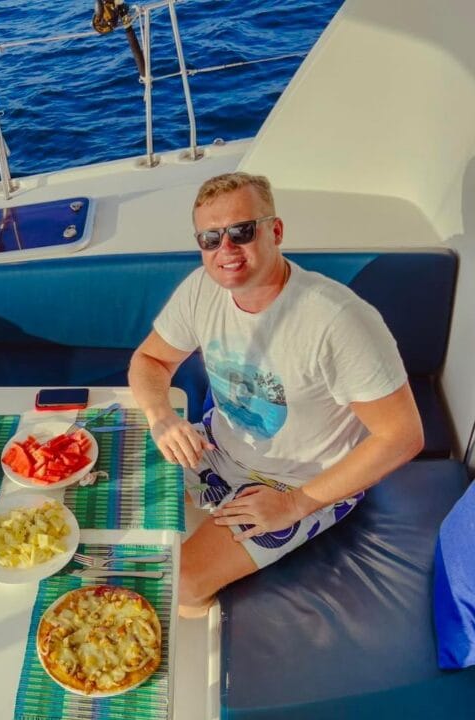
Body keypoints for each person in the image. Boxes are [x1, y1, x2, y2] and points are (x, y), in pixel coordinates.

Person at [127, 172, 424, 617]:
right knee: (121, 515)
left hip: (299, 481)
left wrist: (294, 505)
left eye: (241, 232)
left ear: (276, 231)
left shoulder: (337, 321)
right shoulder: (201, 290)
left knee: (181, 583)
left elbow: (402, 436)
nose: (225, 250)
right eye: (210, 239)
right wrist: (160, 415)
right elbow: (149, 362)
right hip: (216, 445)